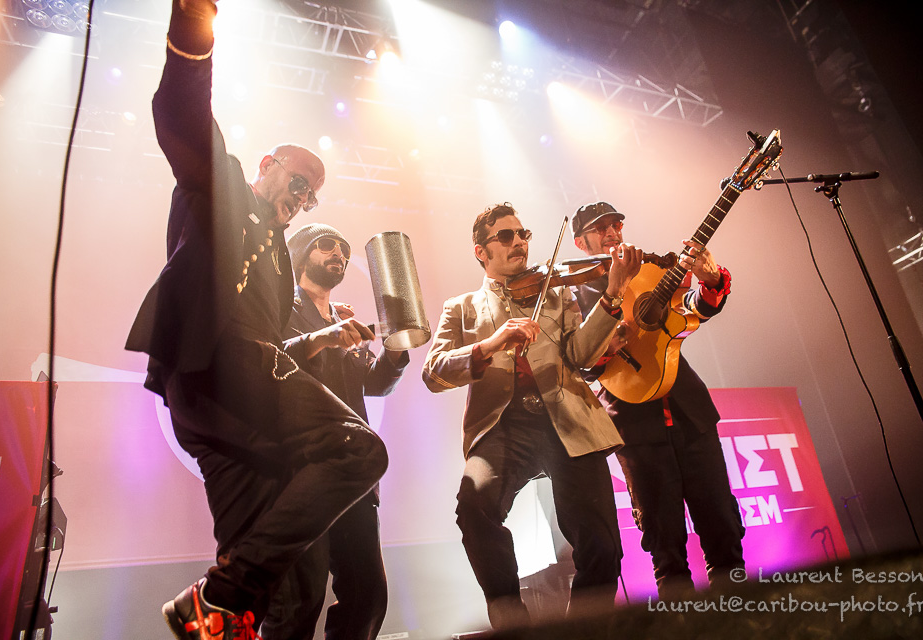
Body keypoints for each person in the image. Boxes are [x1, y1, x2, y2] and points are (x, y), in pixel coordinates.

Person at [125, 2, 388, 638]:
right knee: (359, 449)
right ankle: (220, 594)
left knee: (292, 590)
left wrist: (326, 341)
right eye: (298, 182)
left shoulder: (278, 262)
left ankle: (219, 606)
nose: (302, 199)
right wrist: (194, 25)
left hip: (233, 413)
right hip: (215, 369)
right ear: (268, 165)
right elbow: (182, 115)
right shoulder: (225, 189)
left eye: (311, 196)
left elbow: (277, 348)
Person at [421, 203, 643, 628]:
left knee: (602, 547)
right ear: (481, 251)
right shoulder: (462, 307)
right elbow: (433, 373)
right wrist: (490, 344)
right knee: (474, 506)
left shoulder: (557, 293)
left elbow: (582, 356)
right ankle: (513, 625)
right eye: (505, 236)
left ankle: (582, 633)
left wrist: (612, 295)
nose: (519, 242)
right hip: (503, 426)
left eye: (522, 234)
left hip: (567, 418)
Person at [568, 201, 745, 599]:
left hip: (690, 414)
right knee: (666, 550)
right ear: (580, 242)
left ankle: (743, 617)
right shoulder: (574, 295)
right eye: (599, 228)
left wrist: (711, 280)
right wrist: (608, 343)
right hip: (634, 427)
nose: (611, 232)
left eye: (616, 224)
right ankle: (679, 626)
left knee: (724, 531)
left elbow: (693, 311)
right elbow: (583, 364)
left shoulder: (650, 269)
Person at [260, 223, 409, 640]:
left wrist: (396, 349)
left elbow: (374, 384)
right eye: (326, 245)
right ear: (300, 254)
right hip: (301, 473)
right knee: (299, 602)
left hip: (352, 474)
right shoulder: (279, 308)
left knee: (367, 595)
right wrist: (321, 338)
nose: (338, 254)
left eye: (343, 249)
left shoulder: (344, 317)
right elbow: (269, 364)